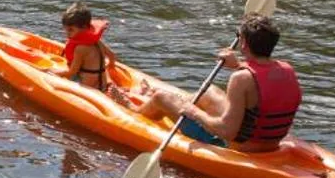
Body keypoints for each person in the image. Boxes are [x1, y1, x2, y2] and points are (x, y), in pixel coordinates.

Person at [113, 14, 302, 153]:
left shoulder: (241, 79)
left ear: (243, 44)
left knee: (161, 97)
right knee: (209, 92)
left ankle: (135, 107)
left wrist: (194, 112)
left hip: (239, 147)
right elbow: (259, 87)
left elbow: (226, 132)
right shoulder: (286, 69)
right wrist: (237, 65)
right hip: (270, 142)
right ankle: (163, 99)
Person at [58, 3, 116, 91]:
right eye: (66, 29)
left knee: (58, 71)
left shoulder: (80, 49)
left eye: (71, 30)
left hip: (89, 87)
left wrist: (53, 72)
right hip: (102, 84)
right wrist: (111, 65)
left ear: (84, 27)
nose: (67, 33)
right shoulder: (97, 41)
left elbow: (72, 72)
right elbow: (111, 55)